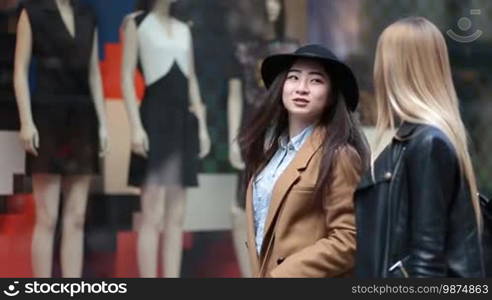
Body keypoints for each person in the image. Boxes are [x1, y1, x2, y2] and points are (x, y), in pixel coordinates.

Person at [354, 17, 485, 278]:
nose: (377, 70)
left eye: (383, 59)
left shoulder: (427, 143)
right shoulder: (416, 139)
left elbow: (427, 260)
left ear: (397, 67)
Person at [239, 44, 369, 277]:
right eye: (294, 77)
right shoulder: (271, 155)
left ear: (331, 96)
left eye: (316, 81)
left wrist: (281, 275)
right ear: (282, 86)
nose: (302, 88)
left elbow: (349, 239)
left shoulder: (340, 155)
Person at [13, 0, 108, 277]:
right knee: (47, 216)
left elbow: (94, 73)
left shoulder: (88, 14)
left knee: (77, 216)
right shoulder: (32, 12)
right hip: (47, 117)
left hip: (82, 118)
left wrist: (103, 124)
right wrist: (26, 121)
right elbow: (20, 71)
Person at [120, 0, 210, 277]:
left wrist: (202, 126)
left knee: (176, 216)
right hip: (153, 117)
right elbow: (125, 77)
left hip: (183, 120)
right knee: (152, 213)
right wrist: (135, 127)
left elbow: (192, 77)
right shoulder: (136, 23)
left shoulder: (185, 29)